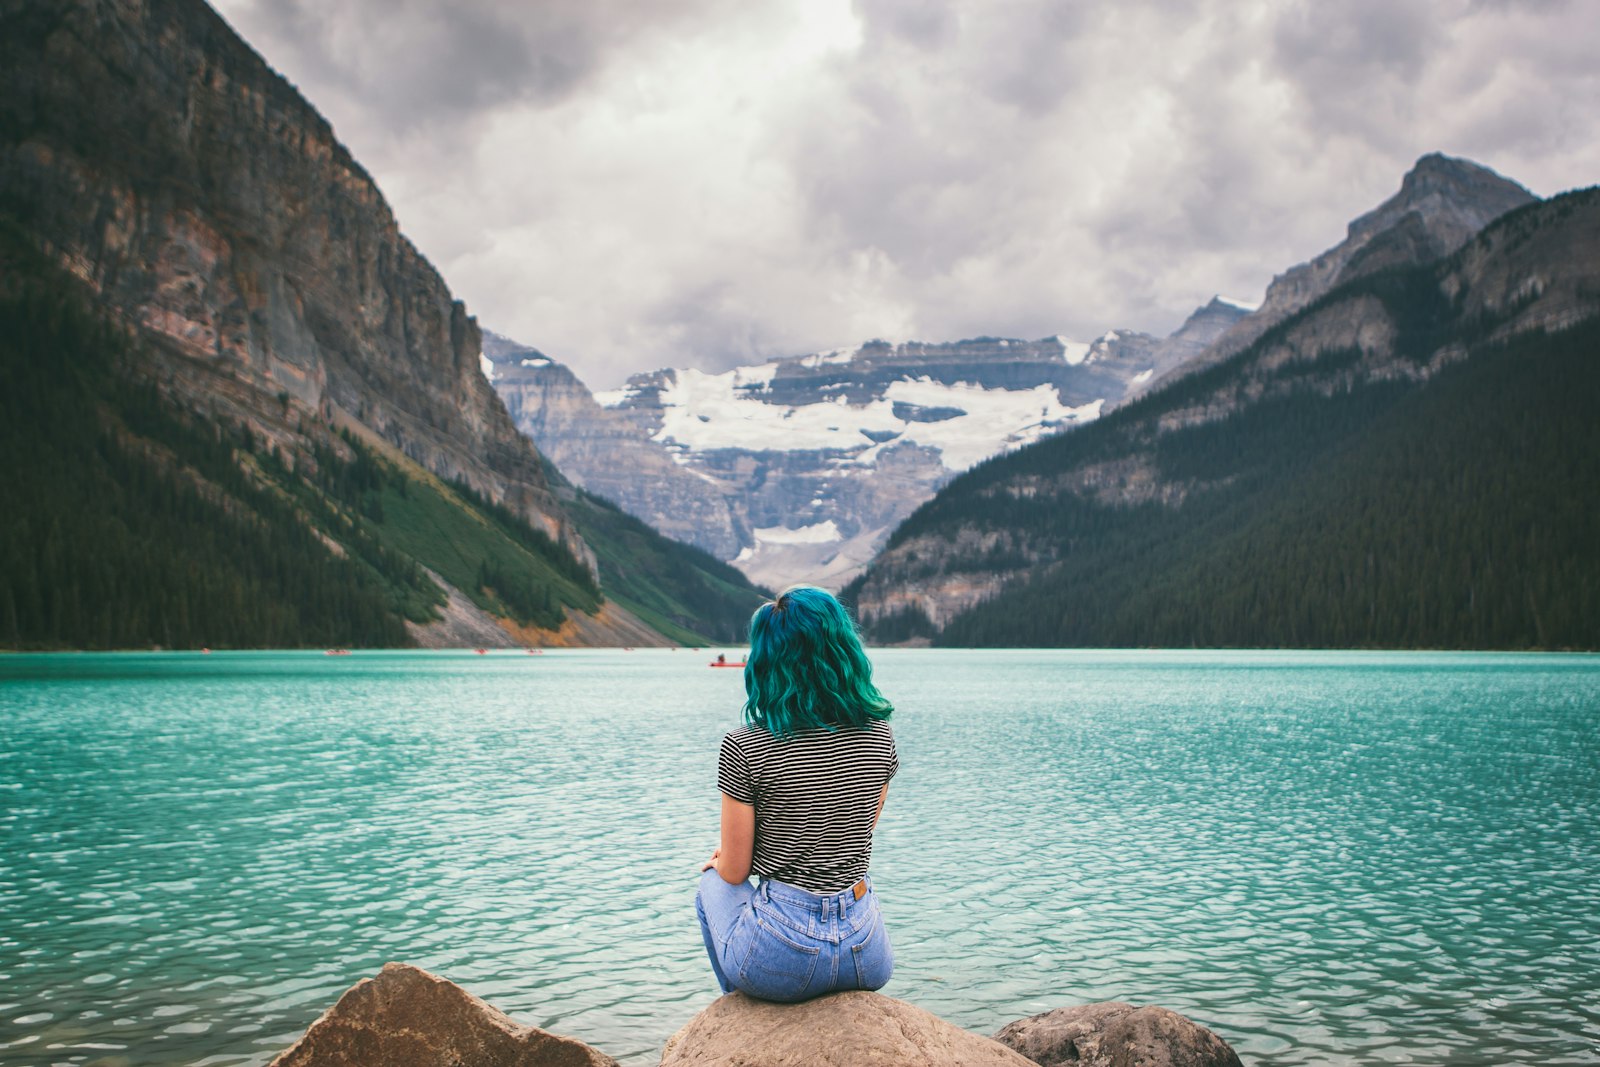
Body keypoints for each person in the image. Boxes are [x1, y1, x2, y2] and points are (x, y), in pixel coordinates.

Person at [695, 585, 898, 1002]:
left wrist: (722, 859)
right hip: (868, 952)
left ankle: (740, 1022)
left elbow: (735, 873)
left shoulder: (744, 745)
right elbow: (857, 827)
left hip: (784, 955)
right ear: (843, 650)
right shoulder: (879, 734)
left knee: (711, 887)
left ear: (767, 660)